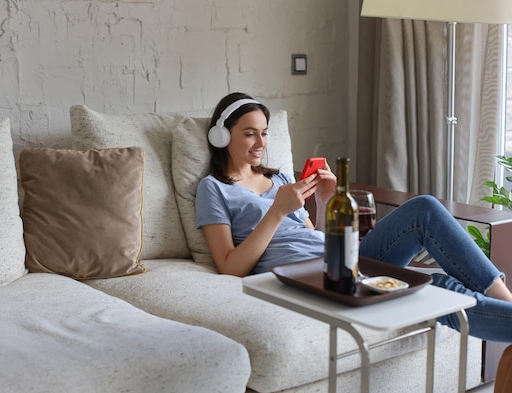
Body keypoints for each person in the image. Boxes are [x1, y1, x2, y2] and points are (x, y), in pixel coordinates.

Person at [196, 91, 512, 343]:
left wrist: (323, 200)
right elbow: (230, 267)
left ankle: (506, 300)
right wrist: (277, 211)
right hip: (308, 278)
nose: (261, 144)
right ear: (222, 137)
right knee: (439, 287)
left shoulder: (278, 180)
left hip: (343, 261)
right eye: (250, 134)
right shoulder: (214, 189)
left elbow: (315, 234)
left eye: (264, 133)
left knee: (424, 209)